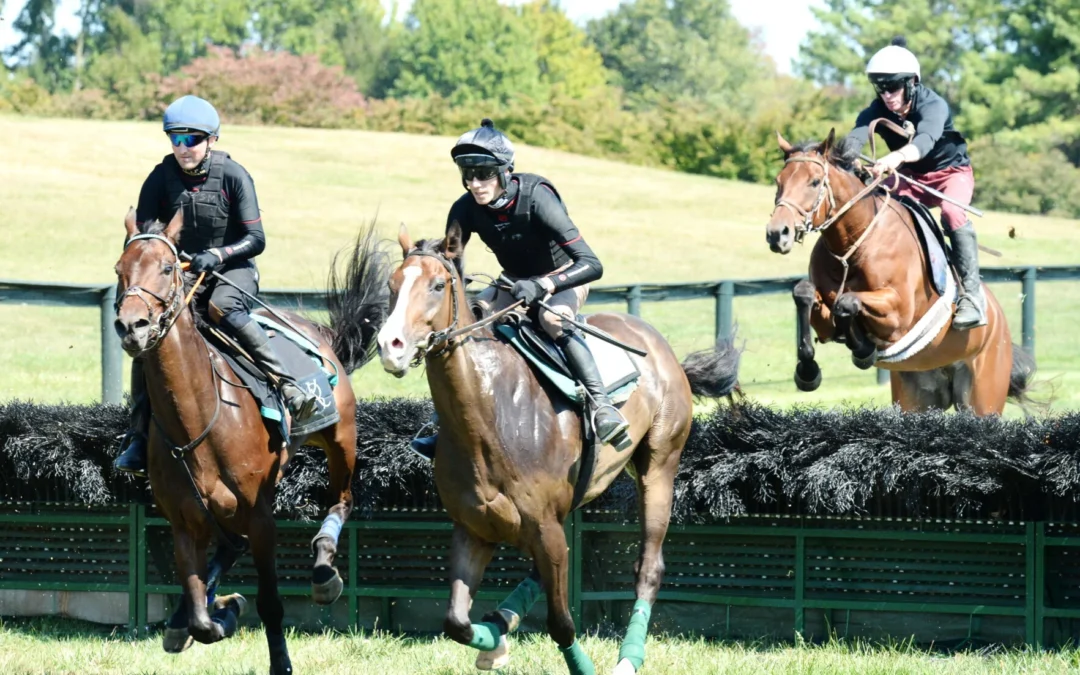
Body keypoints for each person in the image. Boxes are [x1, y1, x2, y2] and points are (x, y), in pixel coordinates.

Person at [114, 95, 316, 477]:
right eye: (175, 139)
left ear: (212, 139)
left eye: (192, 139)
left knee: (220, 308)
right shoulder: (159, 178)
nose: (182, 148)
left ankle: (287, 385)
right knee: (149, 338)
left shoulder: (235, 176)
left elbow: (256, 239)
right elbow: (143, 240)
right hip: (179, 274)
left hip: (232, 270)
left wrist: (219, 255)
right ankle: (138, 437)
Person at [409, 118, 628, 460]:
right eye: (467, 174)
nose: (475, 183)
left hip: (564, 277)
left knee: (553, 322)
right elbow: (452, 264)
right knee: (470, 325)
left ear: (505, 171)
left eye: (484, 173)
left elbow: (591, 264)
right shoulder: (464, 208)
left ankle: (603, 408)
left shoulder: (538, 198)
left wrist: (544, 284)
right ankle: (446, 424)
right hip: (512, 280)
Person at [847, 36, 986, 329]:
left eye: (894, 86)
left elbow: (924, 141)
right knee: (880, 210)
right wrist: (851, 158)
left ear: (912, 82)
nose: (887, 95)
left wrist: (894, 159)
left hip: (951, 174)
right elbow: (854, 138)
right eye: (881, 87)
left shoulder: (934, 105)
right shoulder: (876, 109)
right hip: (910, 178)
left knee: (951, 213)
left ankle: (972, 298)